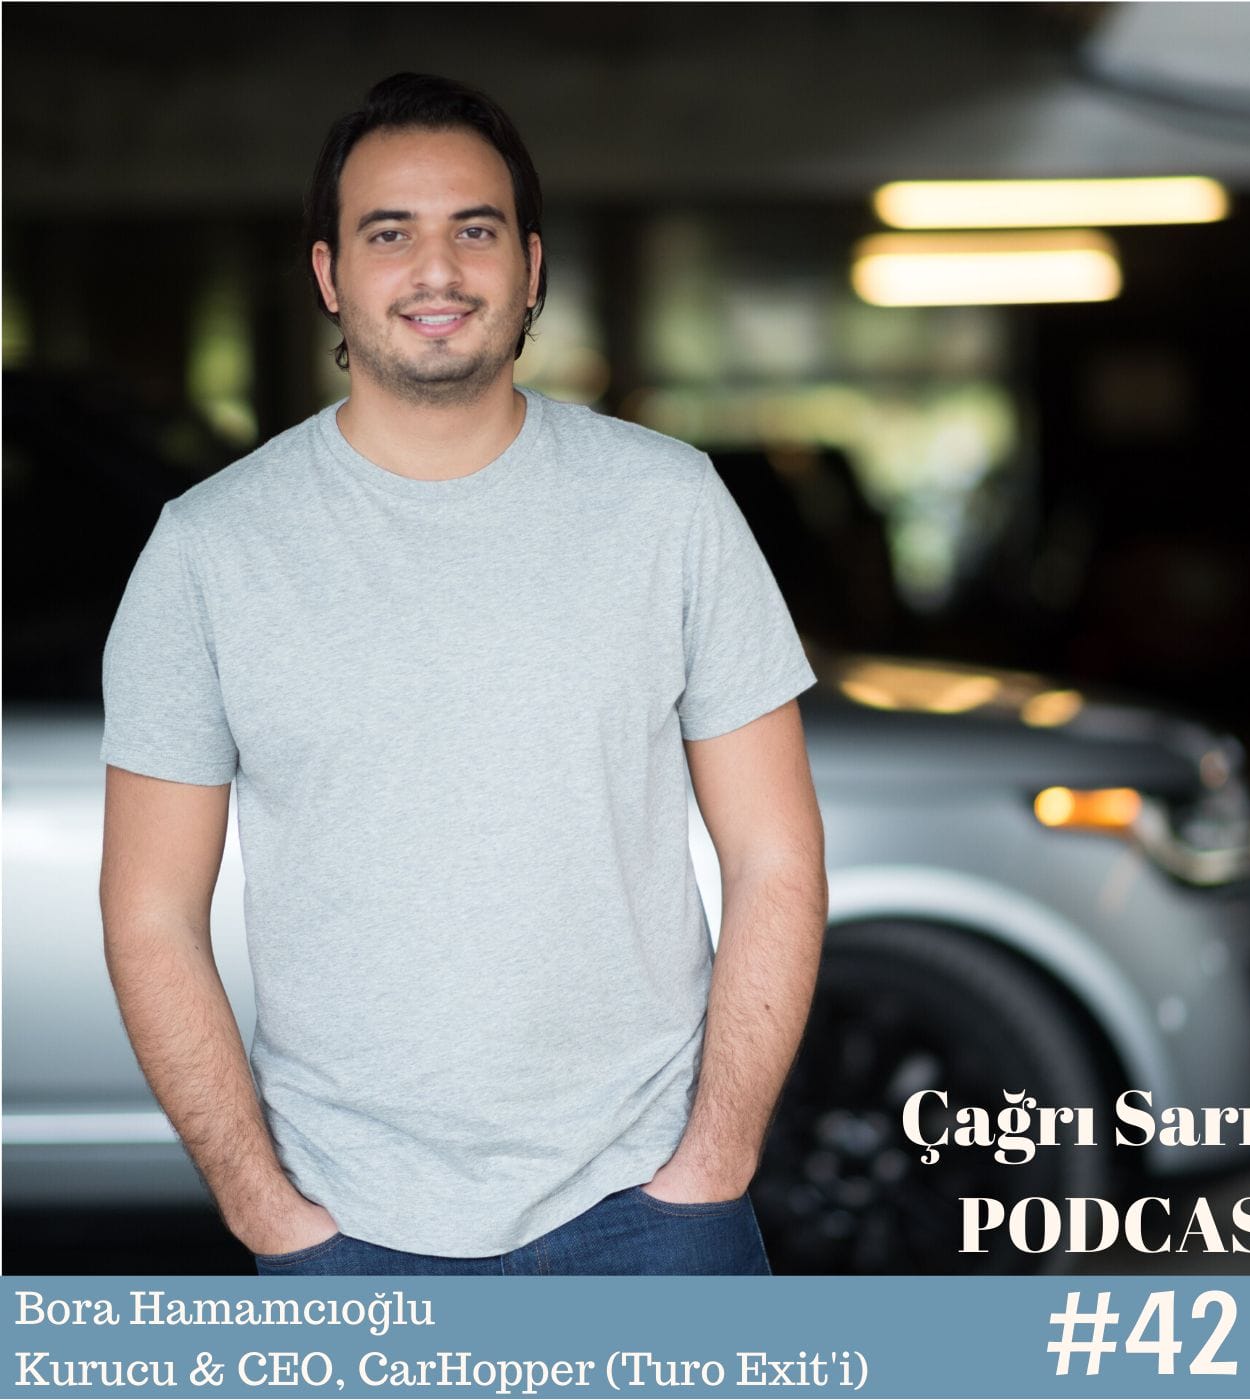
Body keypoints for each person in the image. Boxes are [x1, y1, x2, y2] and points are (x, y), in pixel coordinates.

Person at [99, 73, 827, 1277]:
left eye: (474, 230)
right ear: (330, 275)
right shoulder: (208, 550)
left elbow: (774, 854)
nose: (435, 270)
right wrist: (264, 1206)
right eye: (389, 233)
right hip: (343, 1224)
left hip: (651, 1209)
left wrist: (714, 1159)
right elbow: (150, 914)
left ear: (530, 268)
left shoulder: (669, 506)